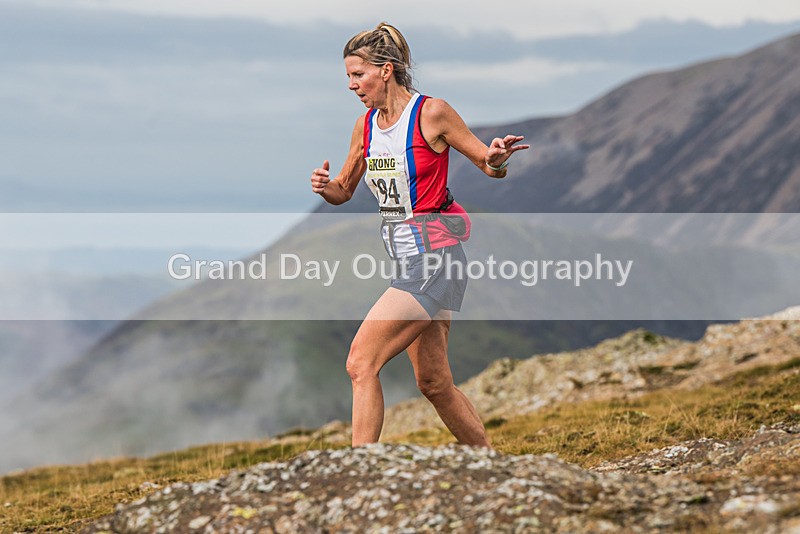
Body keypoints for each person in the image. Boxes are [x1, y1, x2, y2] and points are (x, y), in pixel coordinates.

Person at [310, 22, 529, 448]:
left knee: (361, 362)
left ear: (386, 70)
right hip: (409, 259)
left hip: (435, 259)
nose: (352, 85)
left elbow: (488, 164)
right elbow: (344, 190)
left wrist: (498, 158)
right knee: (433, 382)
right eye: (349, 77)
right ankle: (489, 466)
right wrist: (325, 187)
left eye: (359, 75)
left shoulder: (432, 113)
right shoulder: (366, 126)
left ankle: (362, 472)